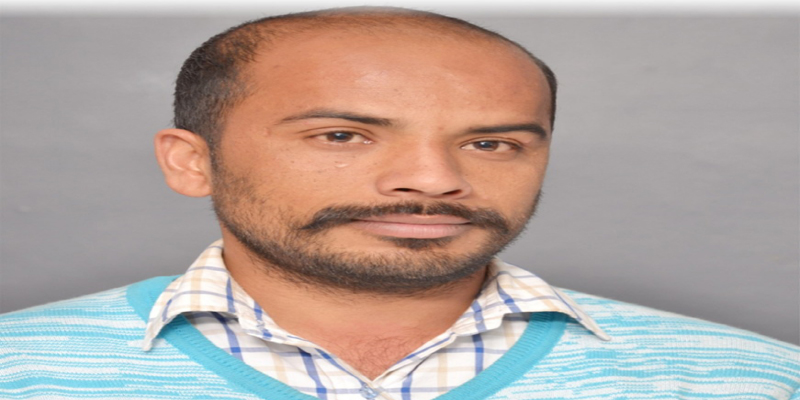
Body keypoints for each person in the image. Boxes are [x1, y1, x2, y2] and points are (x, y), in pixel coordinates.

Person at [0, 7, 798, 400]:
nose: (431, 180)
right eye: (343, 136)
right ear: (192, 162)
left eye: (492, 143)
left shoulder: (751, 381)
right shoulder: (20, 371)